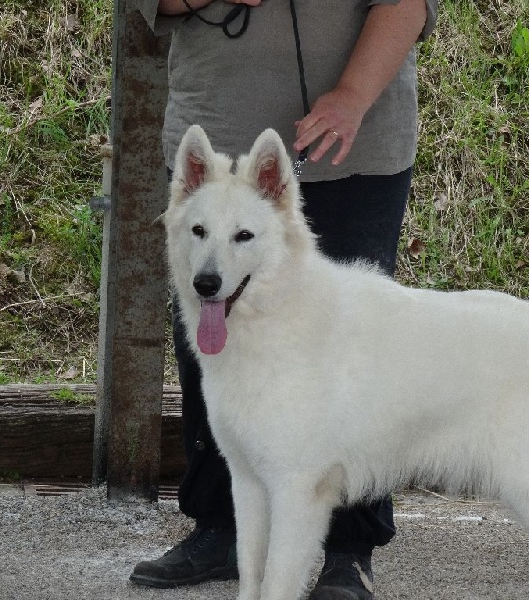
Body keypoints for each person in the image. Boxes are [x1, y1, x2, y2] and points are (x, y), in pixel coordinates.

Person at [130, 1, 437, 598]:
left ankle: (349, 550)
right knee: (214, 331)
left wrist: (352, 94)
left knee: (357, 353)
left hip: (355, 139)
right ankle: (220, 528)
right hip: (216, 125)